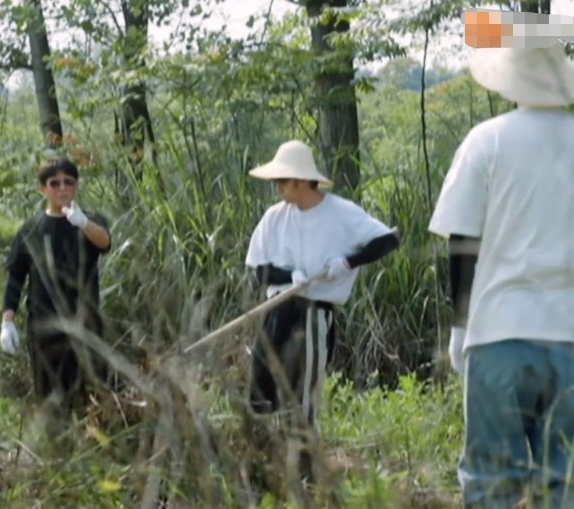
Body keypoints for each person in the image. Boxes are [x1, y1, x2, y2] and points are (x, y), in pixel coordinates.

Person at [428, 44, 574, 509]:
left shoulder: (486, 140)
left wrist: (458, 326)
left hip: (498, 333)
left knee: (493, 483)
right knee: (565, 482)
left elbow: (462, 241)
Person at [244, 139, 399, 435]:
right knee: (263, 391)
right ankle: (268, 463)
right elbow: (259, 273)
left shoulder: (341, 213)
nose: (278, 188)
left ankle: (305, 470)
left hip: (313, 315)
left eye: (282, 182)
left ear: (301, 181)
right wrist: (290, 276)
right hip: (276, 312)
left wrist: (349, 262)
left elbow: (389, 240)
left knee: (301, 398)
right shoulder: (273, 219)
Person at [0, 158, 112, 409]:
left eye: (68, 182)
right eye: (54, 183)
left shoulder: (90, 221)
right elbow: (15, 277)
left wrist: (82, 223)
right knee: (50, 398)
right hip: (44, 328)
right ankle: (56, 444)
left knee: (93, 395)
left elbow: (105, 242)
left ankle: (95, 444)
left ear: (76, 186)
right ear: (43, 189)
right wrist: (7, 321)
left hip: (86, 324)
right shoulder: (30, 229)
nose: (62, 188)